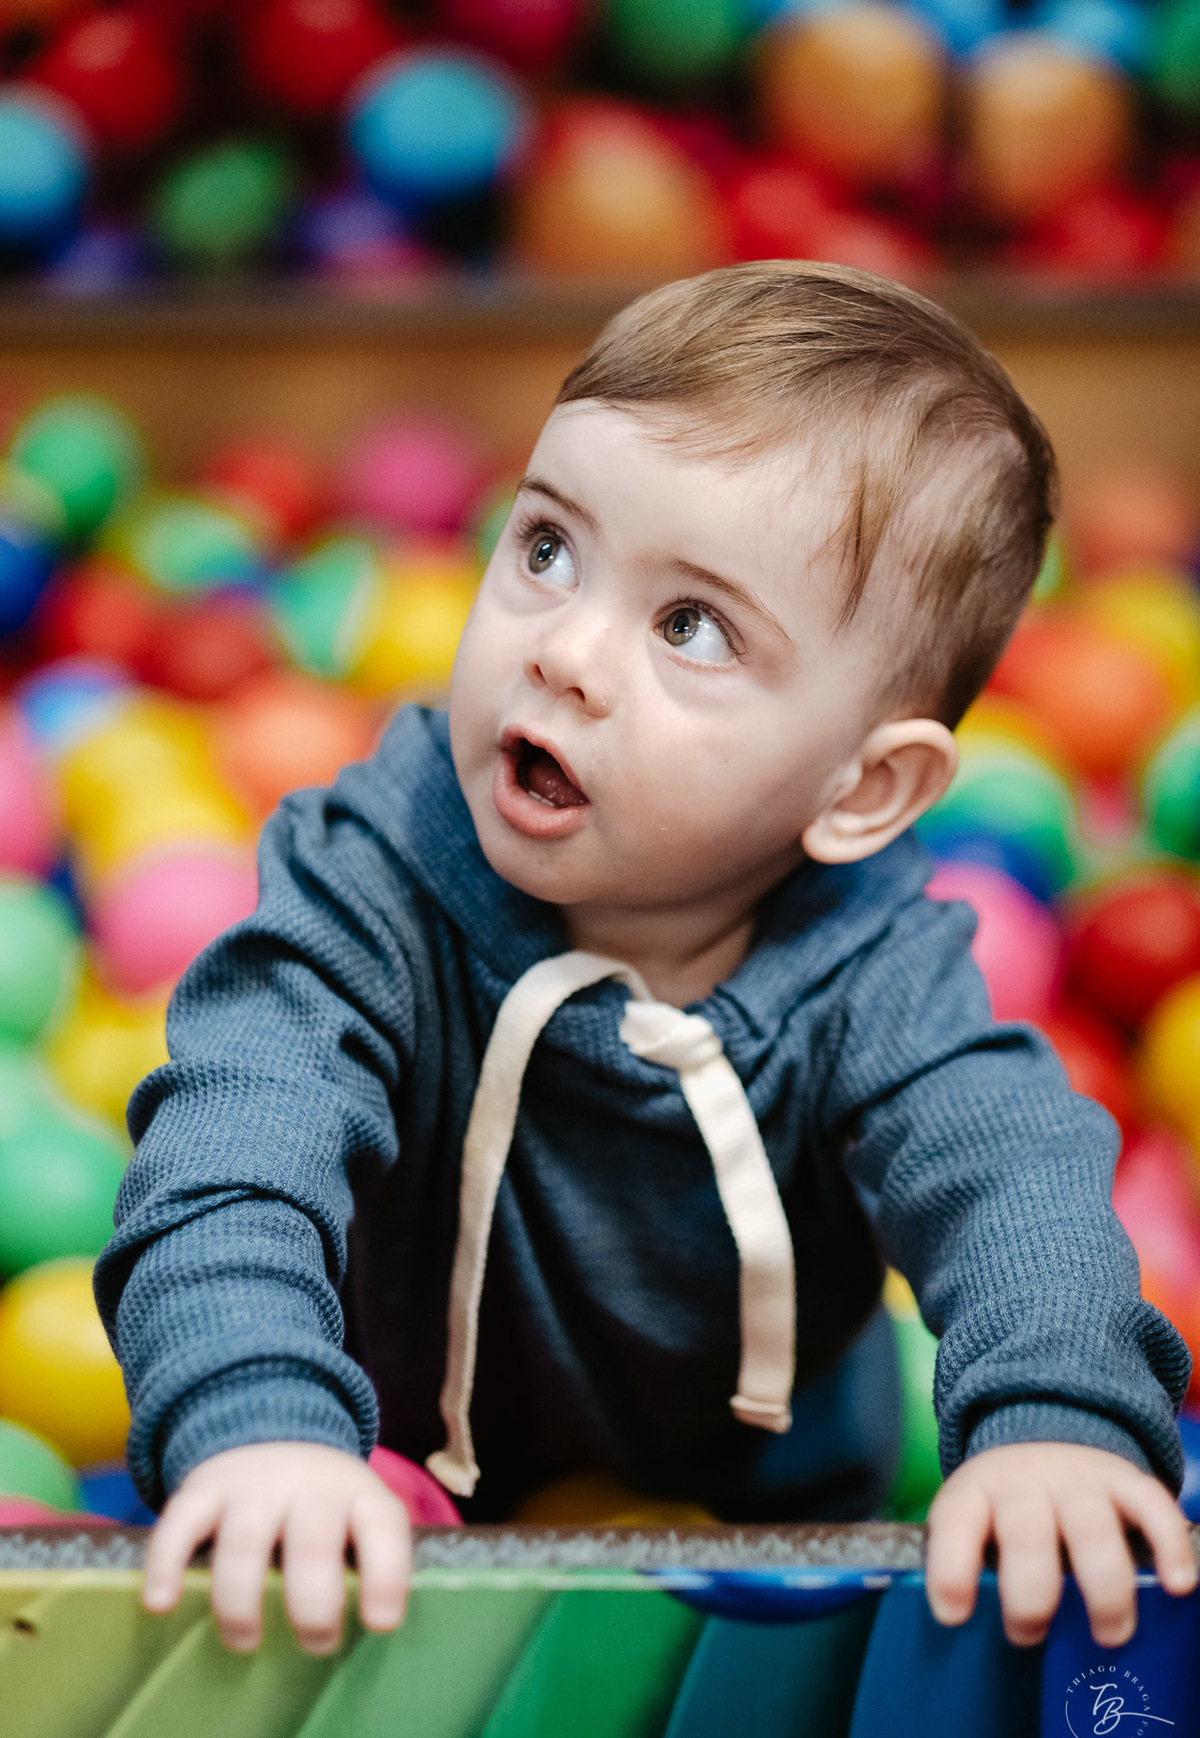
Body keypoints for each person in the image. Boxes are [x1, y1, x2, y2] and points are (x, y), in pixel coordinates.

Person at [95, 262, 1196, 1661]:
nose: (564, 652)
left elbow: (1009, 1177)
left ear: (861, 791)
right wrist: (260, 1425)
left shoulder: (876, 970)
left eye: (691, 628)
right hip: (388, 1512)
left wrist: (1056, 1423)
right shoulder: (366, 881)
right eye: (549, 547)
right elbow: (232, 1150)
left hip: (778, 1546)